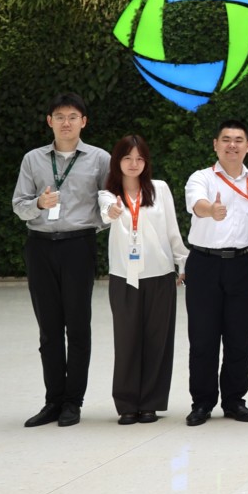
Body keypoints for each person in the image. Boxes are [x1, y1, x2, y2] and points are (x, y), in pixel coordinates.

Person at [13, 93, 111, 428]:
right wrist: (39, 205)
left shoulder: (100, 159)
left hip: (78, 246)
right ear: (49, 121)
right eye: (59, 117)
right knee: (49, 328)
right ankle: (52, 401)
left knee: (78, 326)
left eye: (72, 117)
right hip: (40, 246)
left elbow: (108, 202)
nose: (65, 123)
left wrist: (96, 224)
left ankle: (73, 402)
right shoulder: (33, 159)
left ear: (84, 122)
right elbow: (19, 204)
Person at [183, 120, 248, 426]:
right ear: (215, 145)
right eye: (226, 139)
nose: (232, 145)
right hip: (204, 264)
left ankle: (234, 401)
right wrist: (211, 210)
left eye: (238, 140)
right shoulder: (201, 178)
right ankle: (202, 402)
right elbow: (197, 204)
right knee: (203, 338)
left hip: (243, 264)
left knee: (239, 338)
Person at [98, 135, 187, 425]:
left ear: (146, 161)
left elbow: (172, 229)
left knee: (157, 341)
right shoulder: (108, 194)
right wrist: (112, 211)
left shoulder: (160, 189)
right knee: (126, 341)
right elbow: (106, 213)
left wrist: (182, 262)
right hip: (124, 277)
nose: (133, 164)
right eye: (127, 158)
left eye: (139, 158)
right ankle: (126, 404)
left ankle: (150, 403)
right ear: (117, 162)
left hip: (160, 274)